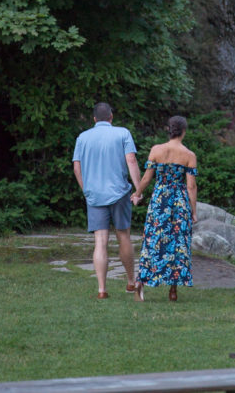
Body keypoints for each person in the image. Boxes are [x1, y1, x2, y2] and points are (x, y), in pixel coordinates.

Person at [72, 102, 142, 299]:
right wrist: (138, 189)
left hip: (94, 195)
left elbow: (77, 168)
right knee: (124, 236)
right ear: (111, 117)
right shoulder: (123, 133)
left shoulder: (82, 137)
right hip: (119, 193)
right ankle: (130, 282)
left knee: (100, 241)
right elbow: (131, 161)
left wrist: (86, 190)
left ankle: (102, 290)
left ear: (94, 119)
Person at [132, 115, 197, 302]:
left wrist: (137, 193)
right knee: (177, 243)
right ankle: (173, 291)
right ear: (183, 131)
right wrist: (193, 211)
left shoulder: (156, 150)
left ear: (169, 130)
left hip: (159, 199)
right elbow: (191, 186)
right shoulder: (189, 155)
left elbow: (146, 178)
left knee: (153, 239)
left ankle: (141, 283)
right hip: (178, 201)